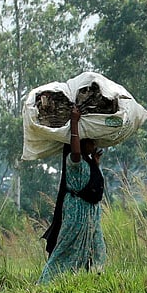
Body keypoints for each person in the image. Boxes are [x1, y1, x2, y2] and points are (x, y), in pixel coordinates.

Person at [39, 105, 107, 283]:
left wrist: (96, 164)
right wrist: (74, 122)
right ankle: (47, 283)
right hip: (76, 213)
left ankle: (91, 281)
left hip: (91, 215)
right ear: (82, 143)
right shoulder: (74, 159)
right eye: (90, 142)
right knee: (67, 248)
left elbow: (91, 184)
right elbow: (75, 150)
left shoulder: (89, 162)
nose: (94, 145)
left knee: (97, 249)